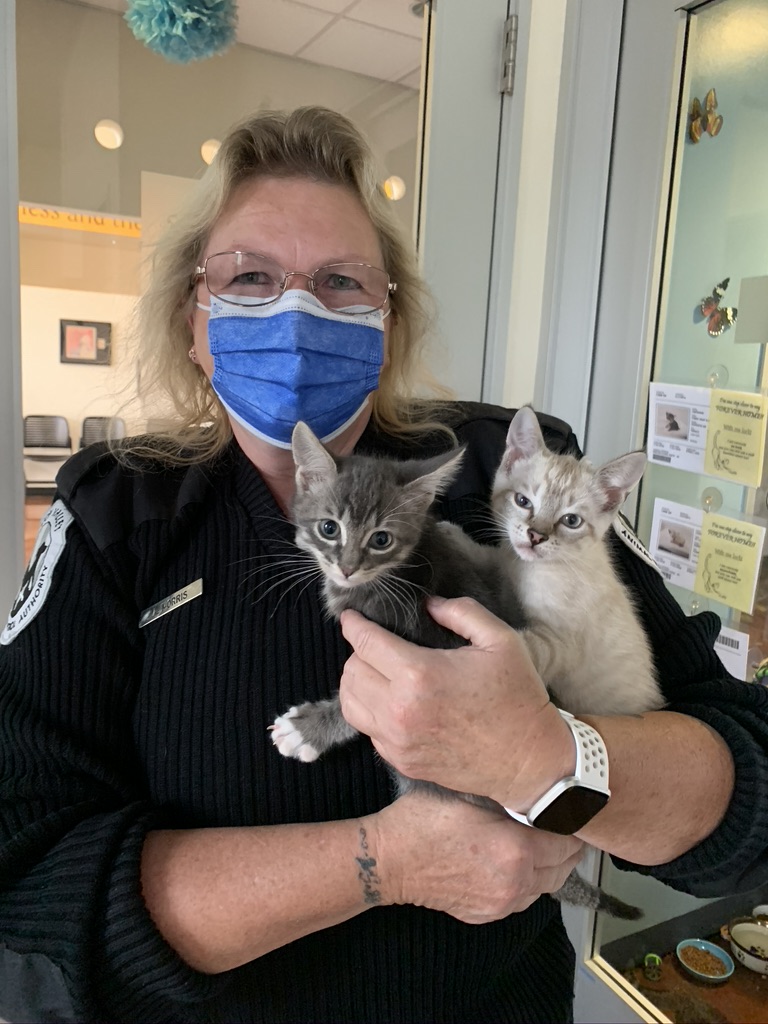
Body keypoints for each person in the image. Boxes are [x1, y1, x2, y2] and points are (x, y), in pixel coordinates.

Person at [0, 106, 766, 1024]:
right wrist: (388, 862)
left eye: (340, 283)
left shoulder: (504, 474)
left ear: (387, 323)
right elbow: (26, 895)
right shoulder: (112, 513)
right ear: (193, 323)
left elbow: (743, 777)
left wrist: (553, 762)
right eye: (249, 278)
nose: (298, 313)